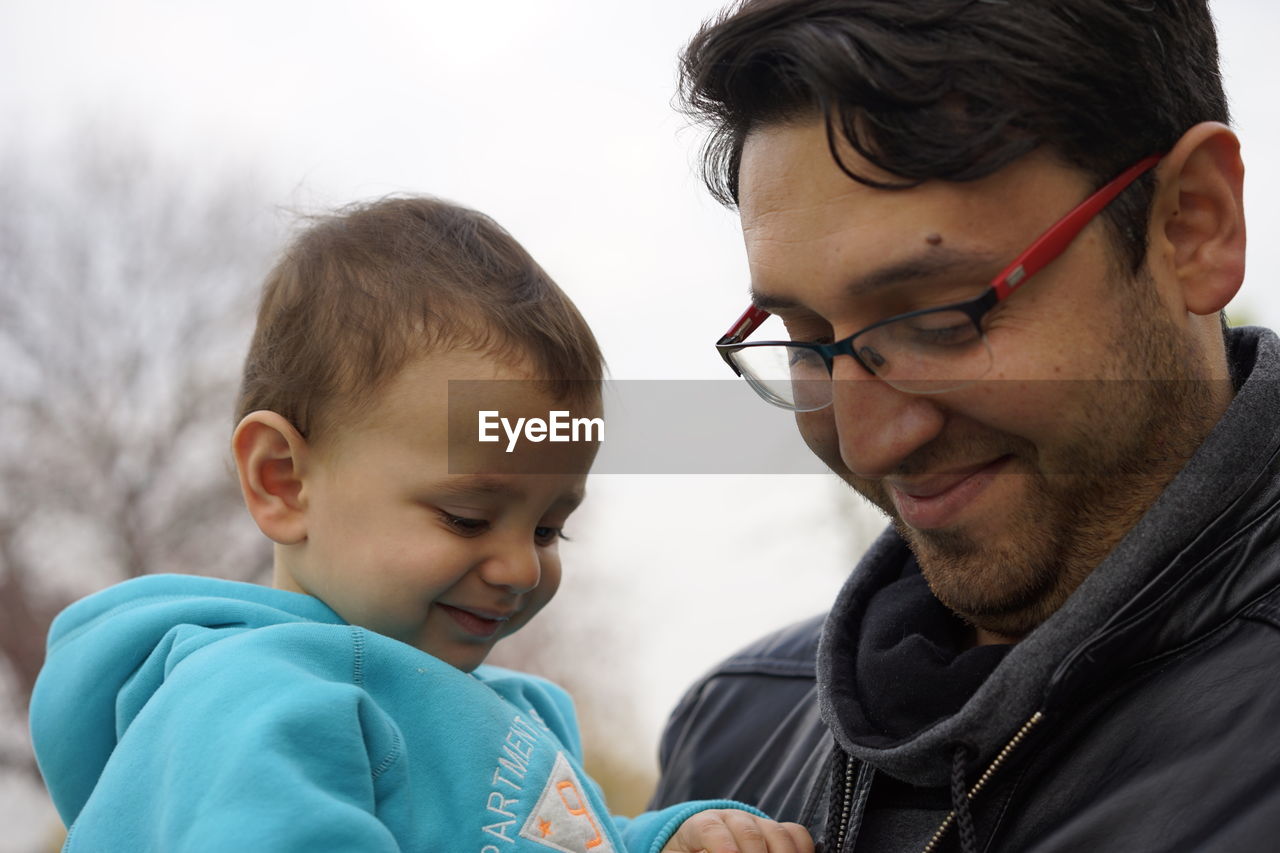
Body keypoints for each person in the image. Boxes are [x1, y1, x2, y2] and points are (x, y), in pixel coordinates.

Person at [648, 1, 1280, 851]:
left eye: (939, 318)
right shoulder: (729, 732)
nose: (871, 442)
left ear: (1192, 225)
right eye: (806, 341)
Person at [30, 197, 813, 853]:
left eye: (548, 529)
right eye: (466, 517)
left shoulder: (502, 713)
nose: (519, 567)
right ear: (283, 480)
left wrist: (666, 839)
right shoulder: (253, 700)